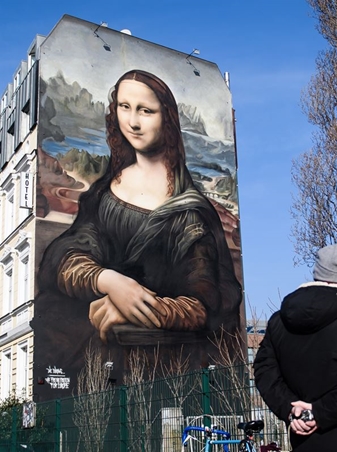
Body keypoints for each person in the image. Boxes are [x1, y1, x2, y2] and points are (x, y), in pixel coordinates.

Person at [33, 70, 242, 390]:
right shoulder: (105, 191)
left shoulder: (191, 210)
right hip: (97, 363)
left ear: (167, 119)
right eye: (124, 107)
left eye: (145, 110)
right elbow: (68, 252)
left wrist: (141, 308)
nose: (132, 121)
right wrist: (110, 281)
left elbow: (206, 304)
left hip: (163, 369)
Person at [254, 244, 337, 452]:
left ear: (317, 273)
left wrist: (291, 410)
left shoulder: (279, 320)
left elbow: (264, 372)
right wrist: (320, 412)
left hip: (305, 437)